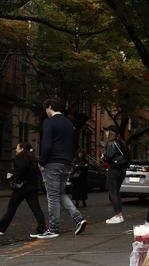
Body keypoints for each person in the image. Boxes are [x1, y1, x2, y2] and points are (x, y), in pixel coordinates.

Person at [37, 99, 87, 239]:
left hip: (52, 163)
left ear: (50, 107)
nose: (46, 112)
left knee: (52, 196)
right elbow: (74, 145)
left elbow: (46, 145)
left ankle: (53, 229)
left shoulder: (49, 122)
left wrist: (42, 162)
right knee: (60, 193)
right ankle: (79, 219)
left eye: (46, 109)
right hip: (66, 163)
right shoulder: (68, 123)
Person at [0, 142, 47, 237]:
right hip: (32, 188)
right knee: (36, 209)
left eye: (17, 148)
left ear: (21, 149)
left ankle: (1, 229)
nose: (16, 149)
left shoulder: (19, 157)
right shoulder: (33, 158)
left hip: (21, 188)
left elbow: (21, 168)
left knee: (11, 209)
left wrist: (14, 176)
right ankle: (42, 229)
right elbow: (36, 172)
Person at [104, 125, 130, 224]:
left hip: (114, 170)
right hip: (122, 170)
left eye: (107, 131)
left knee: (113, 192)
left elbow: (108, 157)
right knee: (117, 192)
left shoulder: (111, 143)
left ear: (111, 132)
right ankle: (120, 215)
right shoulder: (122, 143)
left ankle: (118, 215)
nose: (106, 133)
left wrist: (104, 156)